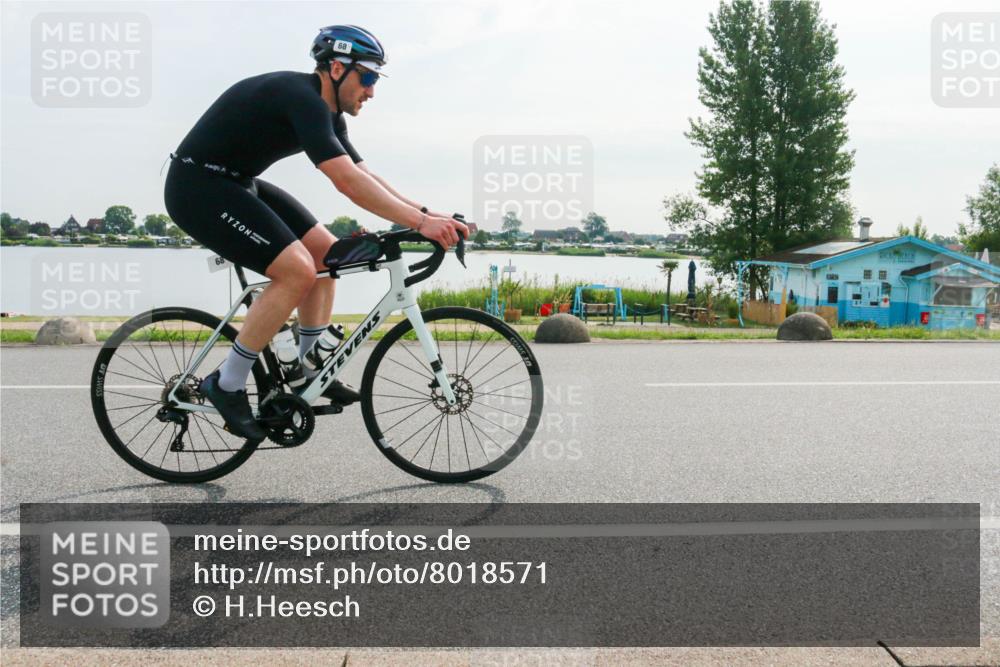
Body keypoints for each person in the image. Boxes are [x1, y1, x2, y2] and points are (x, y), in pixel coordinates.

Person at [164, 25, 468, 440]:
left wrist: (427, 213)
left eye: (376, 79)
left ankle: (306, 370)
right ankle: (227, 383)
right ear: (337, 68)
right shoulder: (302, 99)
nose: (372, 91)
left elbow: (365, 175)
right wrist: (420, 224)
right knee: (296, 271)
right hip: (197, 187)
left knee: (327, 256)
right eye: (368, 76)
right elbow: (345, 182)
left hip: (236, 183)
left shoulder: (329, 115)